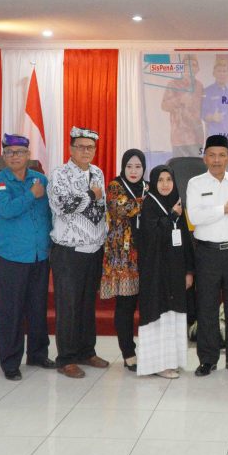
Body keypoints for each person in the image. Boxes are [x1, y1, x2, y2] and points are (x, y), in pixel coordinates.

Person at [185, 134, 228, 377]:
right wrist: (223, 209)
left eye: (221, 155)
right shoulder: (195, 183)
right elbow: (195, 217)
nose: (216, 160)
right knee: (207, 308)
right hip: (206, 253)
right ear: (204, 157)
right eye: (211, 155)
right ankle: (207, 359)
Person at [0, 133, 54, 381]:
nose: (14, 156)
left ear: (28, 155)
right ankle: (10, 362)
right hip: (10, 257)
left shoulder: (41, 179)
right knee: (10, 312)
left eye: (19, 152)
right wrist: (31, 195)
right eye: (9, 152)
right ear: (4, 156)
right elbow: (5, 210)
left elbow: (49, 212)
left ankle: (38, 354)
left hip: (38, 255)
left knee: (38, 308)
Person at [48, 127, 111, 379]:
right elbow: (62, 206)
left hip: (94, 249)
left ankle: (87, 351)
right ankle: (66, 358)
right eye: (81, 147)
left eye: (90, 148)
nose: (86, 151)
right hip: (68, 251)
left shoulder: (97, 172)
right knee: (68, 305)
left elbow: (101, 205)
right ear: (71, 149)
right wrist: (88, 194)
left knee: (87, 305)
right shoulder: (59, 174)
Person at [136, 166, 195, 378]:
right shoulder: (150, 204)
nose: (165, 184)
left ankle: (172, 360)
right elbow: (151, 236)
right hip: (156, 273)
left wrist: (189, 271)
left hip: (176, 272)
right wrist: (171, 216)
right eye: (160, 179)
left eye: (169, 179)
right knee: (159, 314)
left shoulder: (176, 202)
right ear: (153, 182)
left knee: (174, 314)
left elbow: (186, 240)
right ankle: (158, 364)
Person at [101, 148, 147, 372]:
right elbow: (121, 208)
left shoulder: (148, 187)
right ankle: (128, 352)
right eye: (129, 166)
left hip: (146, 254)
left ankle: (150, 351)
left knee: (147, 305)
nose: (133, 171)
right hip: (122, 256)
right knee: (126, 306)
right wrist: (148, 202)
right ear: (123, 166)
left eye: (138, 166)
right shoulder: (114, 186)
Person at [161, 54, 205, 158]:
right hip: (180, 138)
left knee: (197, 170)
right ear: (182, 68)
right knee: (180, 171)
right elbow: (164, 106)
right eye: (187, 65)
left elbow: (203, 109)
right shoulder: (173, 84)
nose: (190, 68)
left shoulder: (199, 86)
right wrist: (180, 100)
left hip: (196, 137)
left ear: (197, 69)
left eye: (194, 65)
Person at [201, 56, 228, 138]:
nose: (222, 74)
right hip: (215, 135)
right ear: (214, 73)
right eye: (219, 71)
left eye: (224, 71)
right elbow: (203, 115)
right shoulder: (207, 91)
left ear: (227, 73)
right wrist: (213, 117)